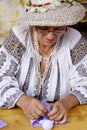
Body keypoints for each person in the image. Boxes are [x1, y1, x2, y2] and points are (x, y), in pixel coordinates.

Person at [0, 0, 87, 124]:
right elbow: (1, 77)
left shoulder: (75, 40)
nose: (50, 36)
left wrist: (67, 103)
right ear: (33, 25)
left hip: (62, 118)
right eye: (43, 28)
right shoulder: (19, 37)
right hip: (19, 117)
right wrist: (23, 100)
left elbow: (85, 81)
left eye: (58, 29)